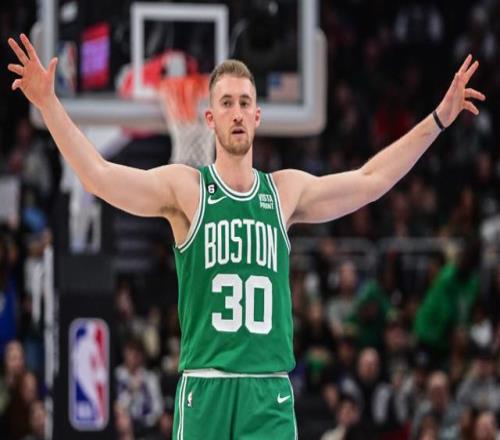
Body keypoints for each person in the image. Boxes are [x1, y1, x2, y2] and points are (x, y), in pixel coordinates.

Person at [6, 32, 485, 439]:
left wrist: (438, 120)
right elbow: (99, 177)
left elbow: (370, 180)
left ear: (257, 116)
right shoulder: (188, 189)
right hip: (205, 387)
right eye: (226, 103)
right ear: (209, 119)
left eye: (244, 103)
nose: (237, 112)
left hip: (268, 390)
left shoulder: (285, 192)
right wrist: (49, 103)